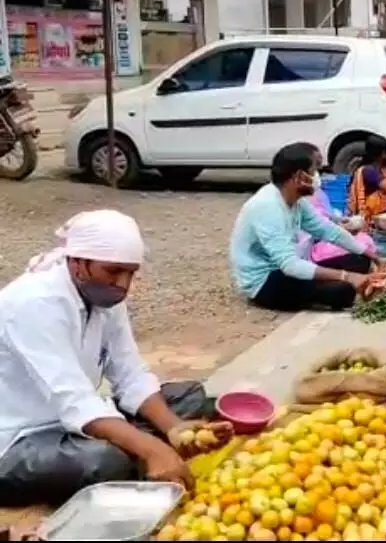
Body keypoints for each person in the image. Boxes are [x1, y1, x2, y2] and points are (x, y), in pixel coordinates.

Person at [0, 210, 231, 505]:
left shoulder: (104, 295)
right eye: (113, 271)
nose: (123, 284)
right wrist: (149, 448)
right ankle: (138, 458)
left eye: (130, 273)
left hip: (73, 422)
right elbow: (74, 399)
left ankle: (144, 451)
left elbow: (130, 372)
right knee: (105, 462)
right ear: (78, 263)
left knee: (189, 397)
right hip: (21, 440)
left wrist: (174, 428)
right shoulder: (32, 304)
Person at [230, 143, 377, 312]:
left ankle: (339, 283)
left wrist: (374, 256)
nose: (318, 177)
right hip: (266, 280)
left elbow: (328, 230)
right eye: (315, 170)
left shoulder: (297, 200)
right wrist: (347, 276)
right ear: (300, 176)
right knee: (342, 291)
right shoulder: (268, 206)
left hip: (292, 267)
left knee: (360, 259)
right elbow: (290, 265)